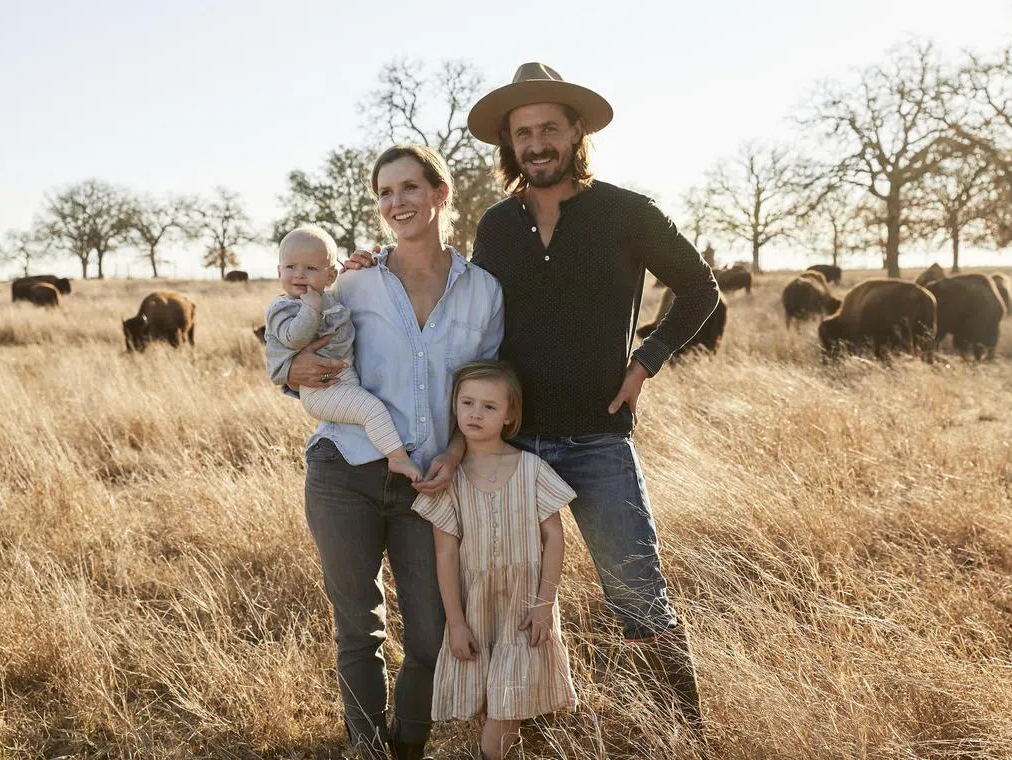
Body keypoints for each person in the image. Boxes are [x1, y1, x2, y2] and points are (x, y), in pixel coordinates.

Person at [466, 62, 720, 731]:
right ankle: (535, 724)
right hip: (514, 446)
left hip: (597, 437)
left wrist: (646, 362)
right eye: (524, 132)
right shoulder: (495, 226)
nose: (537, 141)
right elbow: (471, 320)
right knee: (515, 597)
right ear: (510, 145)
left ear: (576, 131)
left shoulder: (627, 212)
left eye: (550, 126)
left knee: (637, 590)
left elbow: (700, 289)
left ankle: (678, 734)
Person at [268, 144, 504, 760]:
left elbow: (485, 389)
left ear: (440, 194)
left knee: (428, 633)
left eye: (408, 188)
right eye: (384, 192)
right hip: (343, 471)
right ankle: (369, 749)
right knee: (358, 627)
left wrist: (455, 453)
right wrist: (292, 367)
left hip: (428, 479)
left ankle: (408, 743)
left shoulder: (482, 292)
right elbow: (294, 341)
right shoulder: (353, 281)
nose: (396, 202)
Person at [412, 361, 577, 760]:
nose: (475, 413)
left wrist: (544, 605)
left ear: (510, 415)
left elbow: (555, 537)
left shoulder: (531, 468)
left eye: (489, 406)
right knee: (495, 701)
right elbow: (446, 552)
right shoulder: (449, 478)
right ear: (454, 407)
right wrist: (455, 622)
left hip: (525, 606)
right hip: (477, 605)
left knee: (511, 697)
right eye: (466, 402)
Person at [264, 224, 422, 483]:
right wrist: (311, 310)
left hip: (341, 378)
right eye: (290, 267)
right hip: (322, 391)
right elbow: (294, 337)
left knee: (369, 406)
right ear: (279, 271)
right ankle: (397, 458)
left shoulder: (326, 297)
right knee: (371, 410)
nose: (299, 275)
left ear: (330, 276)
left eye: (311, 268)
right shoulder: (283, 307)